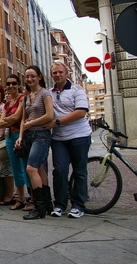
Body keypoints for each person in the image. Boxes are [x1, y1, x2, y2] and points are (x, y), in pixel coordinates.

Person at [44, 61, 92, 219]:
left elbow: (81, 112)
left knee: (79, 171)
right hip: (59, 138)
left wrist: (57, 122)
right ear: (51, 75)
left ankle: (78, 205)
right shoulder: (49, 93)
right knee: (60, 171)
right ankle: (60, 205)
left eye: (60, 72)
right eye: (54, 73)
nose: (57, 75)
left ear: (67, 73)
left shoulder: (77, 90)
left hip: (79, 136)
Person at [16, 65, 54, 220]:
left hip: (41, 135)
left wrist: (32, 123)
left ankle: (38, 208)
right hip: (29, 135)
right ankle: (46, 204)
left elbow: (50, 115)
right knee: (41, 169)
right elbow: (23, 119)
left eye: (32, 76)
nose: (30, 79)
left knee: (31, 168)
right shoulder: (26, 97)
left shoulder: (45, 94)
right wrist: (20, 136)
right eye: (27, 77)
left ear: (40, 77)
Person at [0, 75, 31, 210]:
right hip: (9, 136)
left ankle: (33, 198)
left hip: (20, 135)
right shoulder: (7, 103)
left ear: (18, 85)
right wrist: (9, 120)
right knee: (15, 168)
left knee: (25, 167)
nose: (11, 86)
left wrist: (8, 119)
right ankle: (21, 198)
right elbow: (0, 123)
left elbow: (18, 117)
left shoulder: (22, 99)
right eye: (8, 83)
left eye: (13, 83)